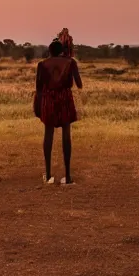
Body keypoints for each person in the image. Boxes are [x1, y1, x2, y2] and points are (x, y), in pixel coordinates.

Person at [34, 40, 82, 185]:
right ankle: (67, 177)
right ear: (63, 51)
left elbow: (39, 88)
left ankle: (48, 176)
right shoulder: (70, 62)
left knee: (48, 134)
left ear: (49, 51)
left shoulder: (42, 64)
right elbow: (79, 84)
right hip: (65, 98)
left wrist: (38, 106)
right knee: (66, 135)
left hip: (48, 99)